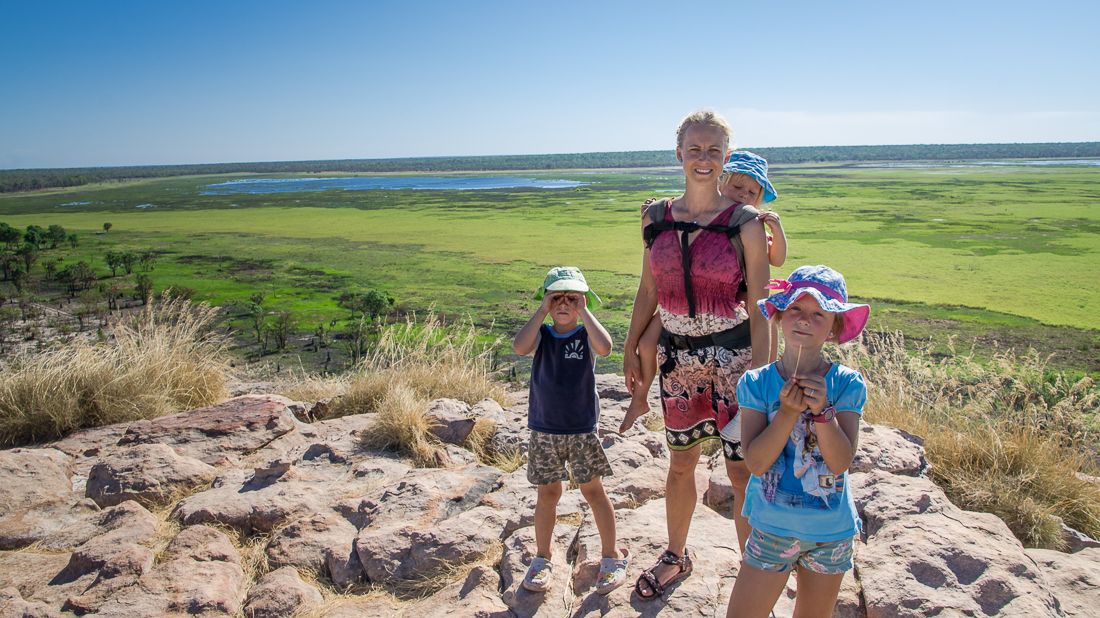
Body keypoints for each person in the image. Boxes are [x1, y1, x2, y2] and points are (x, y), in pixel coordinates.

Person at [621, 110, 771, 600]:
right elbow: (650, 288)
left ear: (725, 159)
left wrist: (762, 383)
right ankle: (676, 555)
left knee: (741, 471)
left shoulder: (745, 225)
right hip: (678, 362)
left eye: (713, 151)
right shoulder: (655, 218)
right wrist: (630, 344)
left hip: (735, 362)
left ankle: (755, 576)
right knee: (681, 463)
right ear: (679, 153)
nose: (703, 159)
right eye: (695, 149)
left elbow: (760, 308)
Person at [725, 264, 869, 618]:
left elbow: (839, 463)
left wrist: (824, 414)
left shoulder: (847, 384)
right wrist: (787, 413)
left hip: (830, 535)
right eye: (796, 310)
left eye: (819, 314)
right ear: (779, 316)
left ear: (835, 327)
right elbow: (756, 464)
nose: (804, 320)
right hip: (771, 529)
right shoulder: (756, 384)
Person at [620, 151, 785, 432]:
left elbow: (774, 262)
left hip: (731, 303)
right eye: (737, 187)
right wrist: (652, 216)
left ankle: (767, 386)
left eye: (751, 192)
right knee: (646, 344)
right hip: (679, 302)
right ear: (722, 182)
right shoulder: (688, 213)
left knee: (766, 321)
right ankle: (639, 398)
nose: (743, 196)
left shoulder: (750, 224)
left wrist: (776, 230)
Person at [513, 266, 631, 594]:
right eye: (557, 297)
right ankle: (542, 558)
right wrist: (541, 310)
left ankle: (611, 556)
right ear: (547, 300)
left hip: (581, 428)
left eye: (572, 298)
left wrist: (585, 311)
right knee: (547, 494)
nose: (564, 303)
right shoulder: (543, 335)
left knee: (594, 491)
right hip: (544, 428)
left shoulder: (584, 335)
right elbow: (521, 347)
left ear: (583, 301)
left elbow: (605, 347)